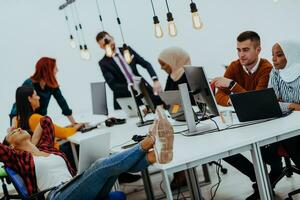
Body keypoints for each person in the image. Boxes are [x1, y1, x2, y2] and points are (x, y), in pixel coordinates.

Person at [1, 118, 157, 200]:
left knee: (112, 169)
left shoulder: (46, 147)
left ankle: (154, 156)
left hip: (75, 187)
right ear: (12, 147)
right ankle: (147, 143)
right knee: (101, 165)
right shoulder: (18, 158)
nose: (18, 129)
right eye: (13, 133)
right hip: (58, 195)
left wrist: (32, 144)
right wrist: (13, 125)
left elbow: (45, 121)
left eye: (19, 128)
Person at [212, 31, 280, 199]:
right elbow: (219, 96)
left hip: (266, 123)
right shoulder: (234, 66)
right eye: (238, 50)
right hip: (243, 120)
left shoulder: (267, 69)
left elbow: (257, 101)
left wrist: (233, 86)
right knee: (222, 149)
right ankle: (258, 178)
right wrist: (234, 101)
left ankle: (269, 178)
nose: (241, 55)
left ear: (258, 50)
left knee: (268, 153)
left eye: (246, 50)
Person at [96, 31, 163, 110]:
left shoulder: (127, 50)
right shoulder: (103, 63)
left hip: (143, 89)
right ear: (101, 47)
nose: (109, 45)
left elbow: (146, 64)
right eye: (105, 44)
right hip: (125, 97)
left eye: (109, 41)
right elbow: (113, 85)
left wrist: (155, 80)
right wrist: (131, 87)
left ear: (112, 38)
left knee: (159, 109)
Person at [9, 57, 79, 129]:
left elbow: (62, 102)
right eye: (55, 68)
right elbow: (17, 105)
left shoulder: (51, 84)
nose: (57, 70)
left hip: (41, 121)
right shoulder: (29, 83)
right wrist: (14, 127)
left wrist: (74, 123)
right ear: (47, 71)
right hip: (28, 123)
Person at [269, 40, 300, 174]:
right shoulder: (276, 72)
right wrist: (293, 105)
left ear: (291, 55)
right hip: (289, 124)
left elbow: (277, 102)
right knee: (282, 138)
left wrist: (282, 103)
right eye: (273, 55)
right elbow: (270, 102)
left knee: (291, 138)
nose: (274, 59)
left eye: (279, 55)